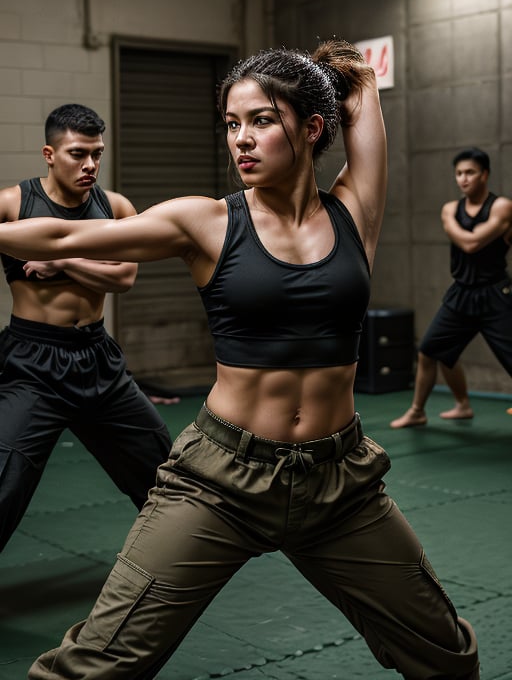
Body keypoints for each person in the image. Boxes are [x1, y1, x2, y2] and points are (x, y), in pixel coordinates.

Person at [0, 45, 478, 679]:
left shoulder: (356, 210)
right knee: (95, 667)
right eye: (231, 123)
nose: (241, 140)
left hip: (342, 485)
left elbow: (360, 91)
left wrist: (335, 73)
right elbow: (61, 236)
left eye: (261, 120)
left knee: (445, 654)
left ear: (311, 129)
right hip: (221, 481)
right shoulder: (205, 221)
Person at [0, 103, 172, 553]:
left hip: (97, 359)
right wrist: (91, 265)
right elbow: (109, 271)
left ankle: (177, 563)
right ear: (49, 154)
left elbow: (124, 278)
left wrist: (62, 261)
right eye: (78, 153)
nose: (91, 165)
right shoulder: (12, 204)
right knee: (4, 481)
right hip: (32, 363)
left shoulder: (114, 206)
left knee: (164, 470)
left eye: (97, 153)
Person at [391, 147, 512, 429]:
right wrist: (462, 231)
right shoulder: (450, 208)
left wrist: (460, 231)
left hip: (495, 294)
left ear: (485, 174)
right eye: (459, 173)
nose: (463, 179)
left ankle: (457, 405)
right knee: (432, 349)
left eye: (470, 172)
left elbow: (470, 243)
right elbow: (470, 240)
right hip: (462, 293)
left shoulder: (501, 206)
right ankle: (425, 410)